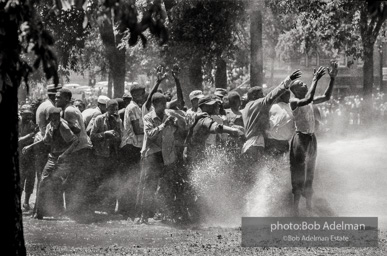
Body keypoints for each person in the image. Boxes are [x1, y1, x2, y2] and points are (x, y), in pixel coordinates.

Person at [289, 62, 337, 215]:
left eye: (304, 83)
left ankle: (309, 207)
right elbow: (308, 99)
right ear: (295, 90)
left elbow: (326, 97)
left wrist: (332, 78)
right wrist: (315, 79)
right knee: (298, 172)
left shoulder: (309, 98)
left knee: (310, 172)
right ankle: (295, 209)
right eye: (300, 83)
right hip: (300, 139)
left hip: (311, 138)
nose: (304, 84)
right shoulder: (294, 102)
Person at [137, 93, 187, 224]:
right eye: (162, 104)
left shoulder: (169, 115)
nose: (164, 107)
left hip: (168, 155)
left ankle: (169, 215)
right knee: (149, 187)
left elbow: (181, 131)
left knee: (169, 186)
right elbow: (150, 135)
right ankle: (144, 216)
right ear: (154, 105)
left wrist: (177, 124)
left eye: (165, 104)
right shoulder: (148, 117)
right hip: (153, 155)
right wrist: (164, 125)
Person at [23, 107, 79, 219]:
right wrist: (30, 146)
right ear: (49, 119)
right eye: (52, 120)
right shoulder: (50, 126)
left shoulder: (63, 126)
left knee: (56, 183)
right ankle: (39, 213)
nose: (55, 122)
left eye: (56, 119)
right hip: (53, 158)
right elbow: (45, 141)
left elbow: (75, 141)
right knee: (43, 181)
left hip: (63, 159)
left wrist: (64, 155)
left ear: (59, 118)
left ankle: (56, 212)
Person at [241, 70, 301, 162]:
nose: (263, 96)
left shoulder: (246, 107)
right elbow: (272, 95)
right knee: (260, 173)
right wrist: (289, 79)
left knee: (252, 173)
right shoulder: (258, 103)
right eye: (261, 94)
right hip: (256, 143)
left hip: (247, 145)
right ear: (254, 96)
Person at [55, 88, 93, 217]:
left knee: (72, 181)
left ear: (66, 98)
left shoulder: (69, 110)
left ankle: (73, 210)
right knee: (76, 180)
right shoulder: (70, 109)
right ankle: (76, 209)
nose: (56, 99)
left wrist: (61, 122)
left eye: (58, 97)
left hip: (79, 149)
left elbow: (76, 129)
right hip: (81, 148)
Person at [32, 84, 61, 216]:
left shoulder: (42, 105)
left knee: (42, 177)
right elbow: (54, 128)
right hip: (45, 143)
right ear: (54, 95)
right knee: (45, 178)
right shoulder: (50, 107)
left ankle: (39, 209)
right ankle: (40, 210)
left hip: (40, 141)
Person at [118, 83, 146, 219]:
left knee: (129, 178)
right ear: (135, 95)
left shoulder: (133, 107)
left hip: (131, 146)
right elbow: (137, 129)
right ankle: (128, 211)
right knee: (131, 178)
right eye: (141, 94)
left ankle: (126, 210)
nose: (143, 96)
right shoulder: (134, 107)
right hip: (132, 146)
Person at [90, 99, 122, 214]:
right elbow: (92, 136)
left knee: (112, 182)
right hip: (101, 155)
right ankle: (99, 207)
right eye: (112, 109)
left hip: (113, 155)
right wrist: (105, 134)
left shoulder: (118, 120)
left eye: (116, 109)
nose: (114, 111)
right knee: (100, 181)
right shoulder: (99, 119)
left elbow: (120, 137)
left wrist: (117, 135)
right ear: (107, 109)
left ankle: (110, 208)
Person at [18, 104, 38, 212]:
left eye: (30, 115)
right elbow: (19, 140)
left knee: (30, 179)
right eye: (26, 115)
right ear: (21, 114)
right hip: (20, 156)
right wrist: (31, 135)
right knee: (21, 179)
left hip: (30, 155)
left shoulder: (31, 124)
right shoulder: (18, 123)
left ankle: (26, 202)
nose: (29, 117)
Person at [265, 91, 295, 155]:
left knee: (273, 160)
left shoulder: (272, 107)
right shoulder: (291, 107)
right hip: (283, 141)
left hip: (273, 140)